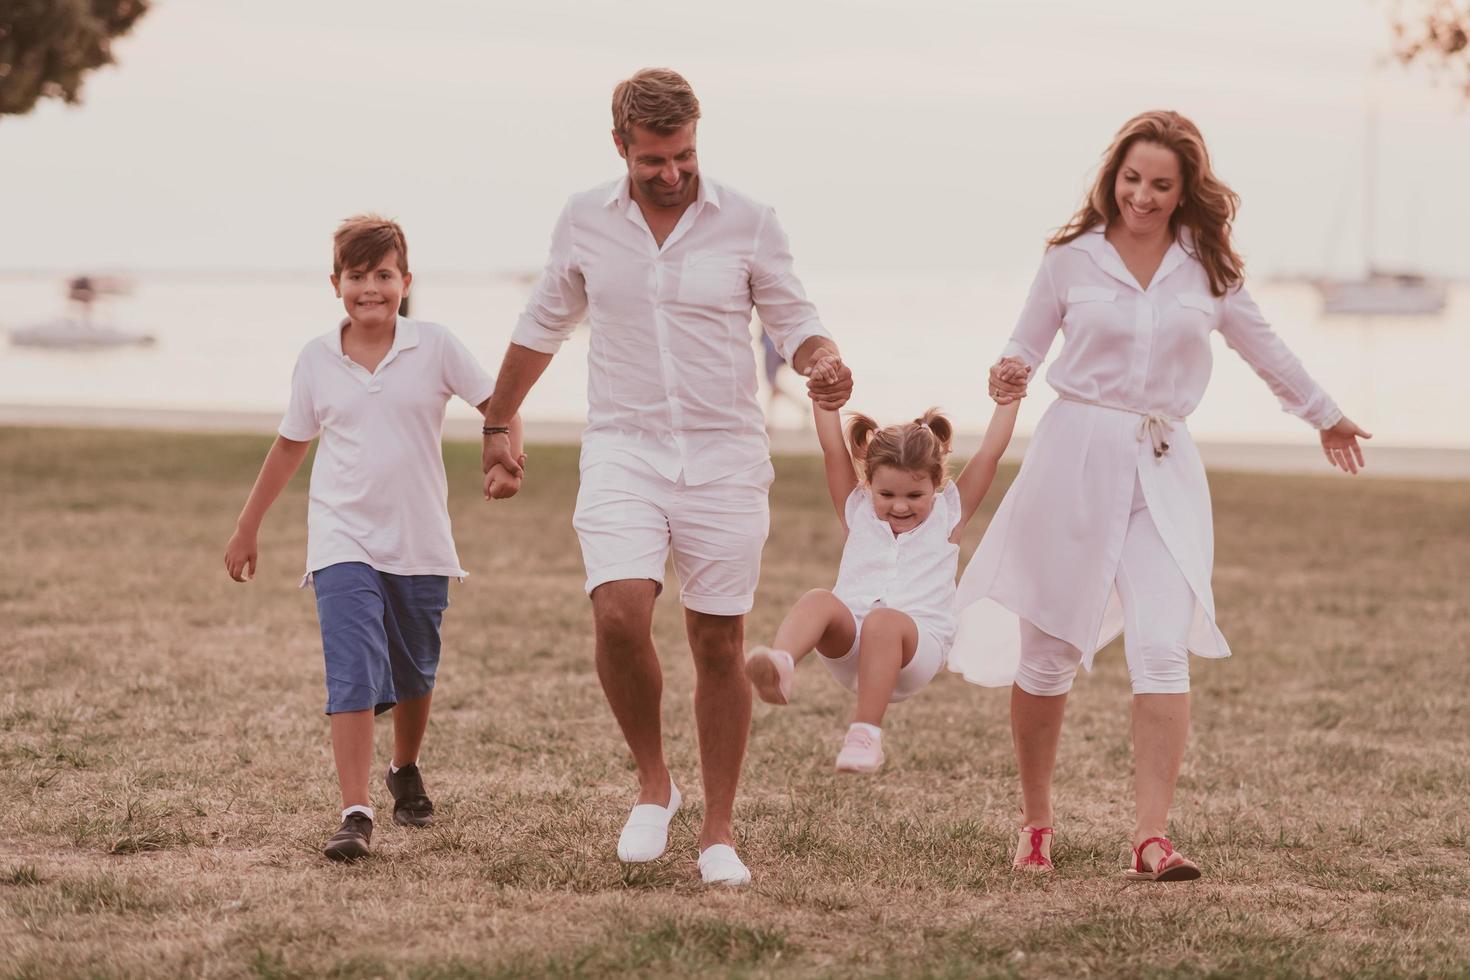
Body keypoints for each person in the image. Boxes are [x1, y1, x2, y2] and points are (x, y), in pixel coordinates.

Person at [957, 110, 1371, 882]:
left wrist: (1326, 414)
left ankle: (1151, 839)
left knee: (1160, 649)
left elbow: (1266, 349)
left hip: (1164, 463)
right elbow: (1022, 347)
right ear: (1112, 177)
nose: (1141, 196)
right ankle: (1036, 824)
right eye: (1131, 179)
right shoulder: (1070, 260)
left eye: (1160, 185)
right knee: (1047, 652)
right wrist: (1005, 374)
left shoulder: (1206, 271)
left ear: (1186, 192)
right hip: (1074, 458)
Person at [478, 68, 852, 886]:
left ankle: (718, 831)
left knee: (719, 641)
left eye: (683, 155)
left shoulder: (749, 221)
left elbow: (794, 318)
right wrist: (499, 421)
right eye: (654, 160)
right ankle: (656, 783)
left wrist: (823, 361)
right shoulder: (584, 219)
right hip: (624, 445)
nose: (673, 173)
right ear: (620, 147)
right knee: (618, 614)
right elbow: (545, 320)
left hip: (724, 455)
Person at [223, 215, 524, 862]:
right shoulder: (316, 359)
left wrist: (504, 458)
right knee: (353, 668)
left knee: (415, 670)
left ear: (405, 281)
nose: (370, 288)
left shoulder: (435, 345)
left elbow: (501, 404)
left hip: (419, 540)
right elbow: (288, 446)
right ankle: (354, 811)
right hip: (341, 539)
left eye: (382, 275)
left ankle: (403, 766)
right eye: (356, 275)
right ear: (335, 283)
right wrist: (248, 526)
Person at [745, 354, 1026, 772]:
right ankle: (782, 664)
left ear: (936, 486)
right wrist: (825, 397)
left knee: (884, 621)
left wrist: (1008, 400)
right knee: (819, 599)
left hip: (915, 648)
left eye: (914, 496)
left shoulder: (950, 514)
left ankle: (865, 735)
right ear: (868, 485)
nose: (899, 506)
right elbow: (831, 450)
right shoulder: (857, 509)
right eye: (886, 495)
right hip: (850, 643)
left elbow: (989, 453)